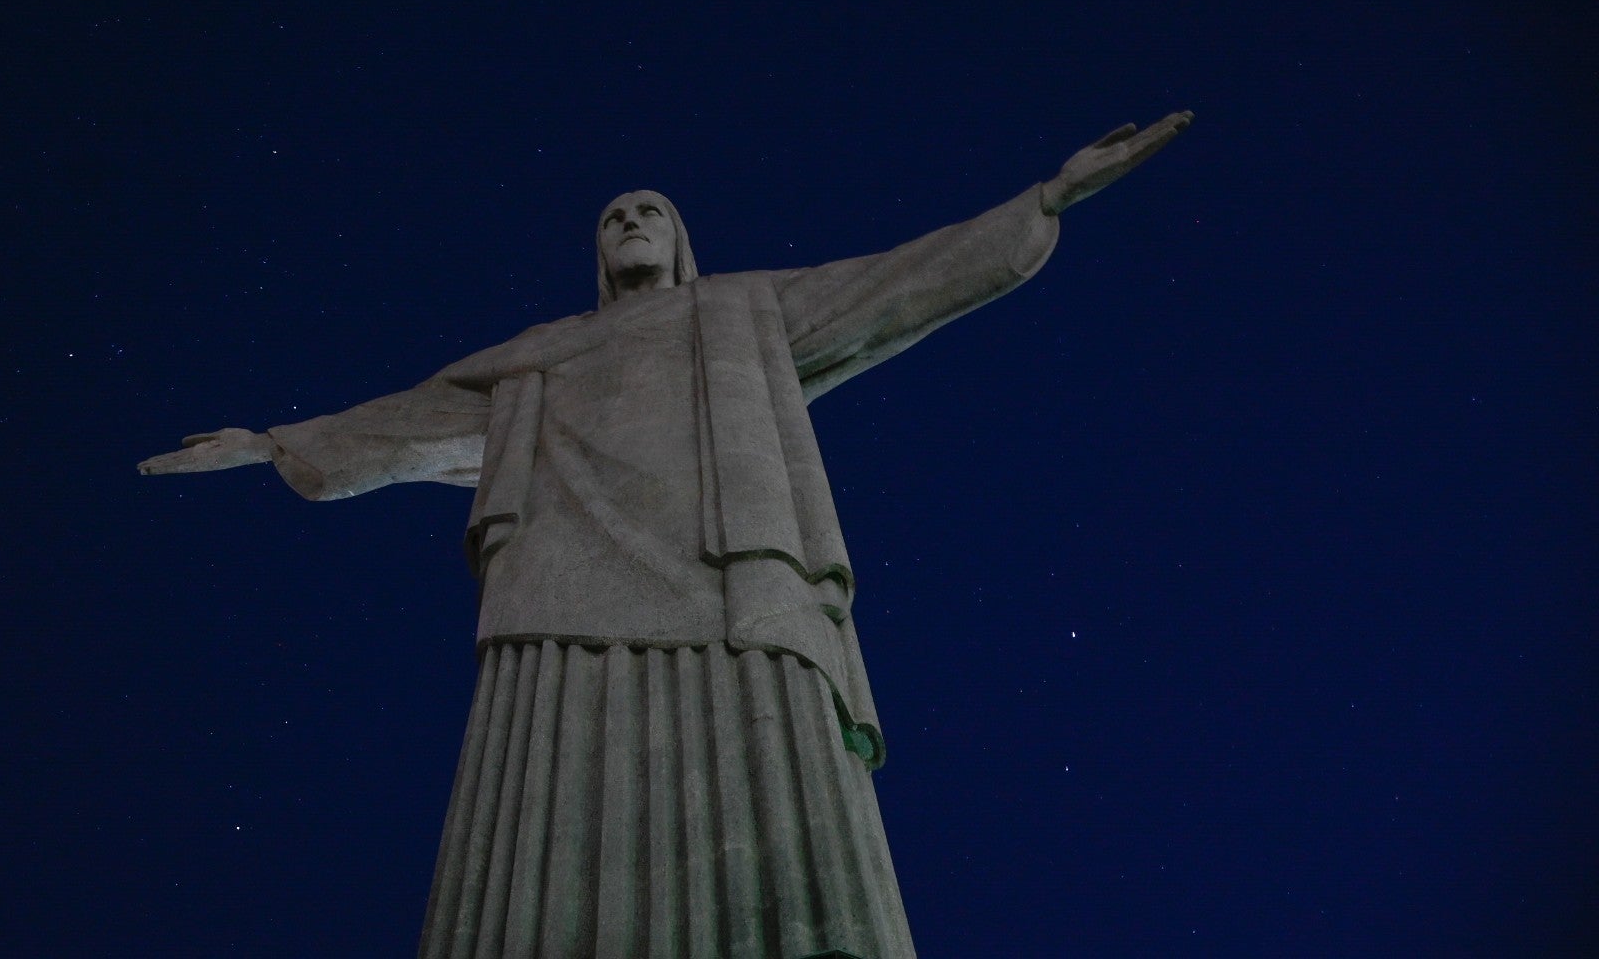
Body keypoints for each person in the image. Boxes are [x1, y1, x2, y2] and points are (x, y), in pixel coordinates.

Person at [140, 111, 1192, 959]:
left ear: (680, 238)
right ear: (597, 251)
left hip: (734, 578)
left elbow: (894, 287)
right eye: (615, 216)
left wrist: (1043, 199)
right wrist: (271, 440)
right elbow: (405, 419)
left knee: (771, 786)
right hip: (560, 591)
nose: (633, 220)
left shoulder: (743, 310)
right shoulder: (538, 352)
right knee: (545, 810)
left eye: (651, 210)